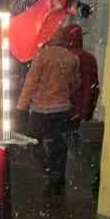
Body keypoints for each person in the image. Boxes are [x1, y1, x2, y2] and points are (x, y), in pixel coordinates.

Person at [17, 26, 82, 195]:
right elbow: (76, 83)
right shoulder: (72, 58)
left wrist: (21, 107)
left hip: (40, 110)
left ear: (49, 38)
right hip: (62, 108)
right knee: (58, 144)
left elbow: (30, 84)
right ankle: (58, 175)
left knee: (34, 142)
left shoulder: (41, 56)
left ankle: (49, 170)